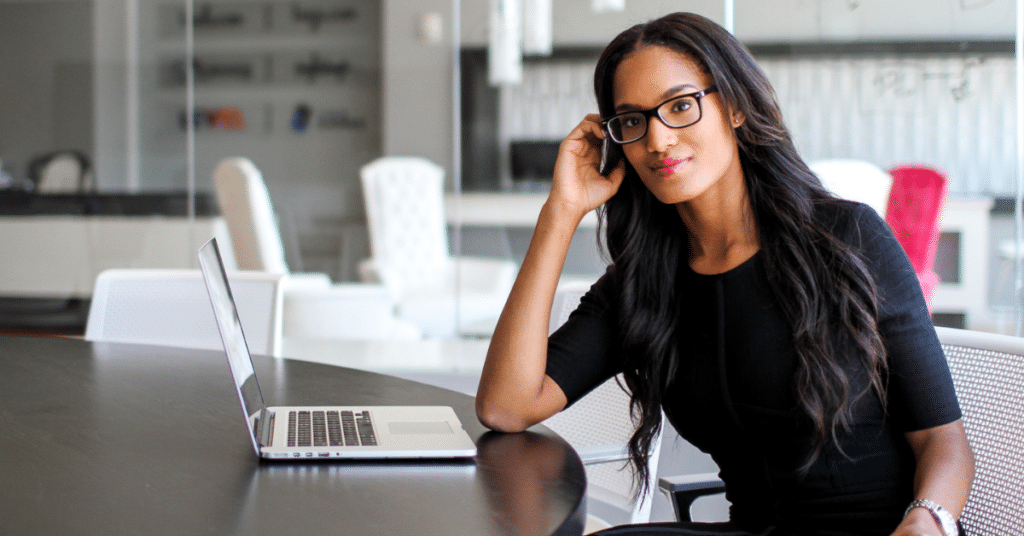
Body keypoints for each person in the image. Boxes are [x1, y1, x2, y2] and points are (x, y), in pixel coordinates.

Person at [475, 11, 975, 536]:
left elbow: (944, 442)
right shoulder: (644, 284)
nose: (658, 141)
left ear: (734, 107)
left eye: (680, 106)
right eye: (632, 121)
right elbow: (507, 405)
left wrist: (929, 519)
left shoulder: (848, 238)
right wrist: (562, 210)